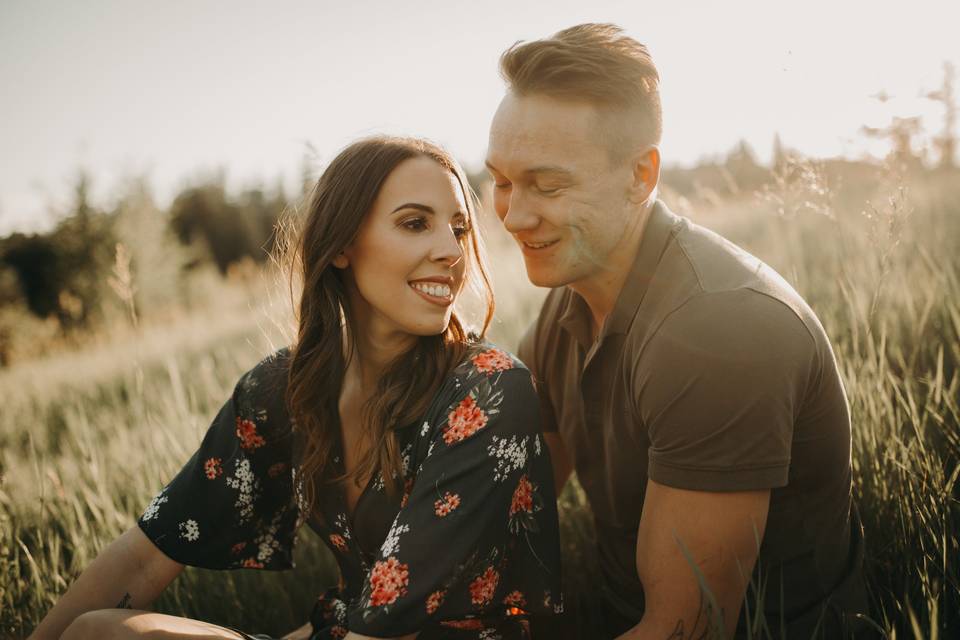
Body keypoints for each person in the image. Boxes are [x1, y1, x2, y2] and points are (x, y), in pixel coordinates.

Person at [29, 136, 562, 640]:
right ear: (341, 246)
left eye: (460, 229)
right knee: (96, 632)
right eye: (416, 223)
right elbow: (150, 552)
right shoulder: (285, 388)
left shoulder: (488, 390)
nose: (451, 251)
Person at [484, 24, 871, 639]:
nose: (513, 214)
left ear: (641, 175)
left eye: (547, 184)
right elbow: (507, 512)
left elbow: (685, 629)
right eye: (502, 182)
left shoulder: (719, 330)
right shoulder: (568, 305)